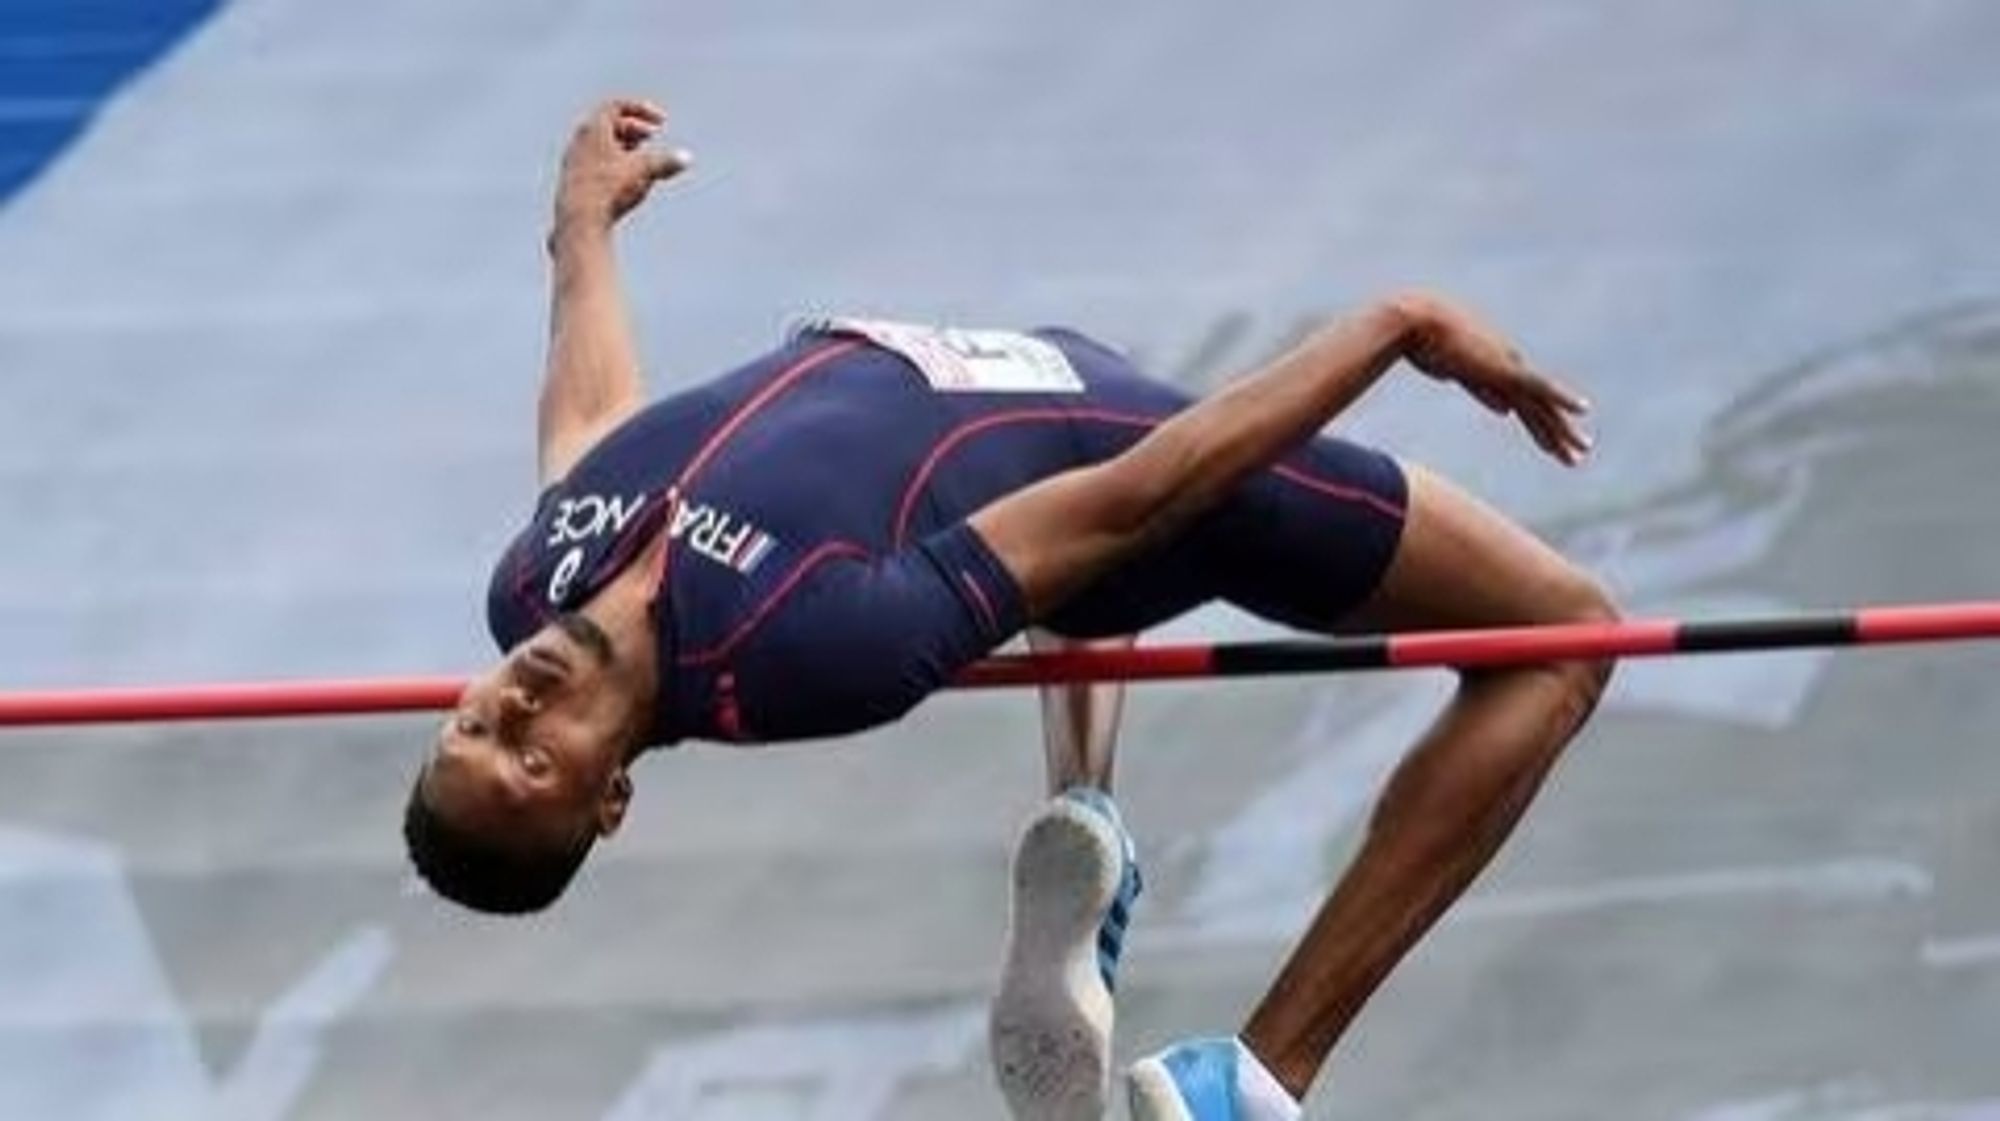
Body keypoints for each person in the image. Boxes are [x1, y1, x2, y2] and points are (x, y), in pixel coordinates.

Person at [402, 98, 1617, 1119]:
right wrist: (1392, 327)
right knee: (1560, 634)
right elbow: (1133, 495)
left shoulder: (533, 579)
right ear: (610, 796)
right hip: (1129, 460)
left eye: (473, 729)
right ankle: (1253, 1077)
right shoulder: (802, 647)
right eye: (532, 760)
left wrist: (580, 230)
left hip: (1023, 404)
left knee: (1019, 559)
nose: (513, 709)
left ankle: (1088, 823)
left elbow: (595, 427)